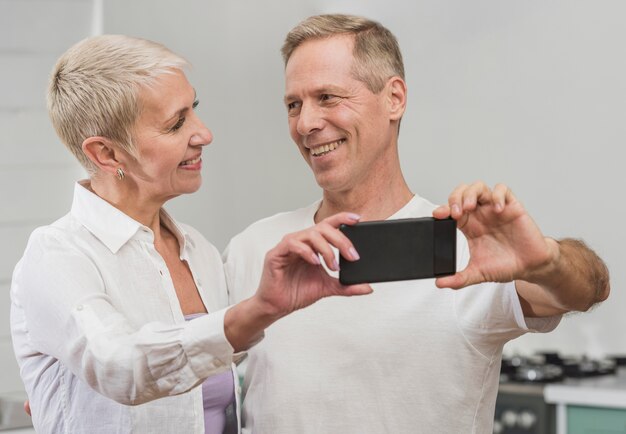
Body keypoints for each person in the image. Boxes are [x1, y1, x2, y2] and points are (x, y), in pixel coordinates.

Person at [223, 14, 611, 434]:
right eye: (293, 105)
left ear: (394, 98)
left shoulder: (467, 250)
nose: (305, 124)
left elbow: (588, 288)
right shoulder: (256, 248)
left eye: (328, 97)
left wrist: (546, 261)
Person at [9, 35, 373, 434]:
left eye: (193, 109)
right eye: (176, 123)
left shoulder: (198, 251)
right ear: (107, 154)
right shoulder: (57, 255)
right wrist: (257, 310)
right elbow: (120, 366)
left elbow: (221, 385)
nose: (203, 134)